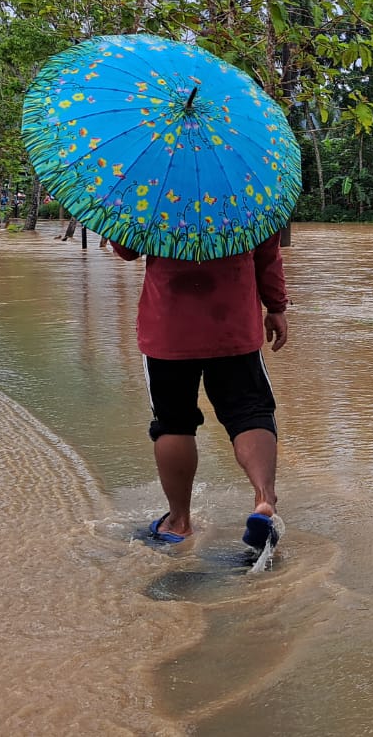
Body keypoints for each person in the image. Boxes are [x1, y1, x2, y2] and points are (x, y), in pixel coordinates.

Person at [111, 234, 289, 555]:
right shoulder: (246, 186)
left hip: (167, 327)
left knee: (173, 422)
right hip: (234, 324)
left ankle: (178, 522)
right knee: (250, 412)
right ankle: (264, 499)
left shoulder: (151, 186)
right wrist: (276, 306)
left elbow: (126, 249)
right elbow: (267, 253)